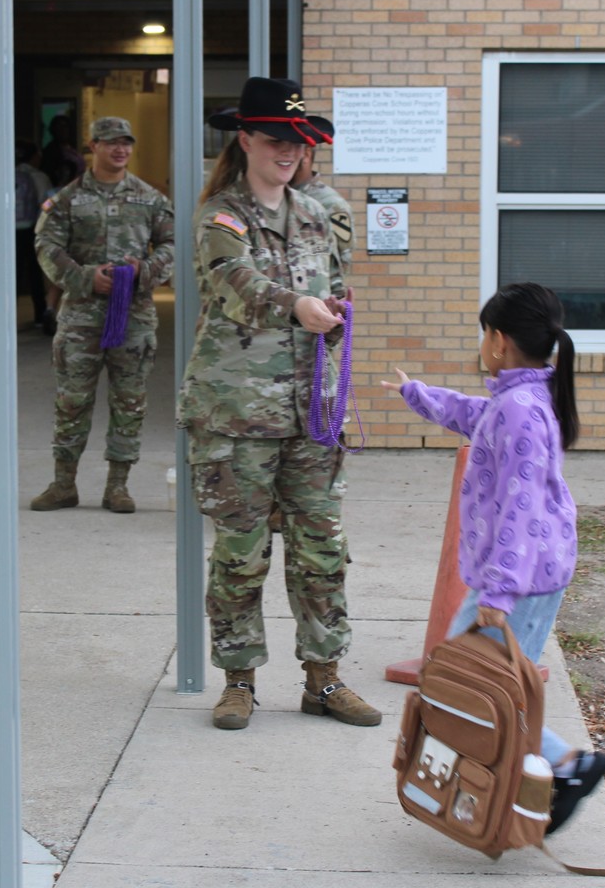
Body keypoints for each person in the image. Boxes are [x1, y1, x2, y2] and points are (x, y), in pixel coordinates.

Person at [177, 76, 381, 731]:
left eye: (296, 139)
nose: (287, 151)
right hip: (237, 418)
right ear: (244, 139)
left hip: (312, 417)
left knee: (323, 550)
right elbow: (234, 284)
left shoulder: (319, 212)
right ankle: (238, 681)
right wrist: (297, 307)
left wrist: (334, 335)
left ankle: (323, 681)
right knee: (240, 555)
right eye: (274, 139)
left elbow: (337, 289)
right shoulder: (221, 215)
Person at [381, 282, 605, 835]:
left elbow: (521, 510)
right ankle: (539, 778)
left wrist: (500, 595)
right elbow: (476, 415)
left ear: (500, 341)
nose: (482, 341)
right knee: (482, 686)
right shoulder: (518, 401)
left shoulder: (524, 413)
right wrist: (420, 395)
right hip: (521, 577)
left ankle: (565, 768)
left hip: (522, 583)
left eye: (485, 332)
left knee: (479, 689)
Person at [31, 116, 174, 514]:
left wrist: (145, 272)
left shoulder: (151, 198)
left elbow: (173, 243)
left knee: (129, 402)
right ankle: (63, 485)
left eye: (126, 143)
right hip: (80, 317)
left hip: (134, 316)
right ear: (93, 146)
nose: (120, 150)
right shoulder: (67, 199)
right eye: (111, 143)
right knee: (72, 400)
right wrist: (82, 278)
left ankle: (118, 486)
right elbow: (46, 244)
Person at [39, 114, 88, 335]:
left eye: (66, 126)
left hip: (78, 213)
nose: (64, 130)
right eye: (59, 126)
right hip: (62, 214)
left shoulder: (71, 149)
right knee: (57, 263)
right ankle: (50, 309)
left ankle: (52, 309)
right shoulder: (52, 152)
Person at [291, 136, 354, 276]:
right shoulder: (276, 198)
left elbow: (342, 262)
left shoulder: (331, 204)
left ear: (306, 154)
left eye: (292, 149)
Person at [15, 138, 50, 329]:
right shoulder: (38, 176)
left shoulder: (6, 173)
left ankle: (8, 314)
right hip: (31, 229)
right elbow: (46, 203)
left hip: (10, 231)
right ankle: (40, 314)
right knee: (35, 273)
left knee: (13, 273)